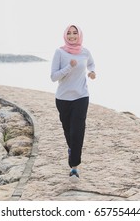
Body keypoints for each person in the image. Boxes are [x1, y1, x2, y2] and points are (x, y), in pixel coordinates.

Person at [50, 24, 96, 182]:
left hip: (81, 96)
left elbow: (91, 64)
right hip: (63, 99)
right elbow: (54, 77)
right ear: (65, 35)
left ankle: (74, 167)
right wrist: (69, 67)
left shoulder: (85, 52)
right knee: (68, 132)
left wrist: (92, 72)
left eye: (74, 33)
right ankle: (72, 150)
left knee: (78, 131)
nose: (72, 36)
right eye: (69, 33)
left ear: (79, 35)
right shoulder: (60, 52)